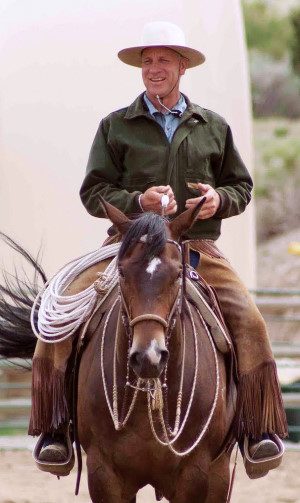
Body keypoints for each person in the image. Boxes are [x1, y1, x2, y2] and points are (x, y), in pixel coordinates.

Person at [31, 21, 287, 478]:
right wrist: (138, 202)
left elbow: (241, 188)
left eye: (163, 61)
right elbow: (94, 193)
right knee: (60, 314)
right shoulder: (116, 125)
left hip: (196, 244)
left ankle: (257, 433)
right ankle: (56, 431)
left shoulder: (214, 127)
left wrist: (216, 200)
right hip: (127, 244)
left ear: (182, 67)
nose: (153, 69)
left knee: (249, 319)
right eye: (146, 62)